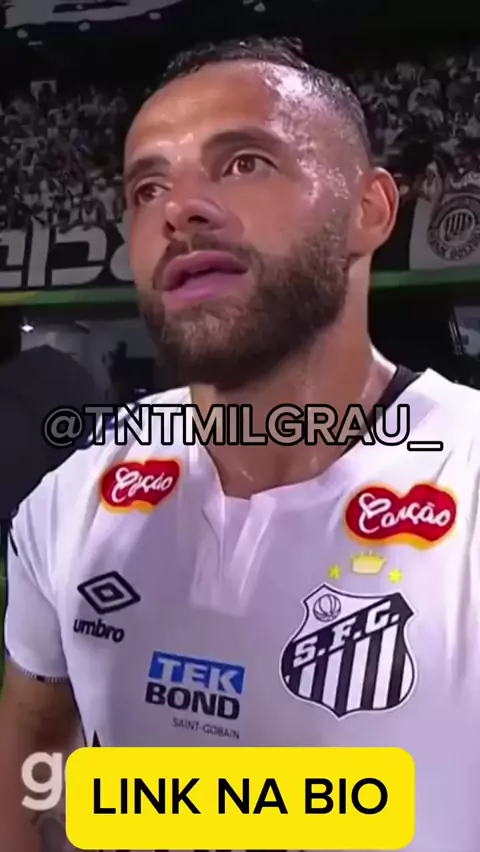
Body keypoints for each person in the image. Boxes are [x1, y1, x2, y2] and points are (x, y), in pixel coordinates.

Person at [1, 35, 479, 852]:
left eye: (244, 163)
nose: (179, 209)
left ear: (370, 210)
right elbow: (30, 742)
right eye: (148, 186)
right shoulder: (74, 498)